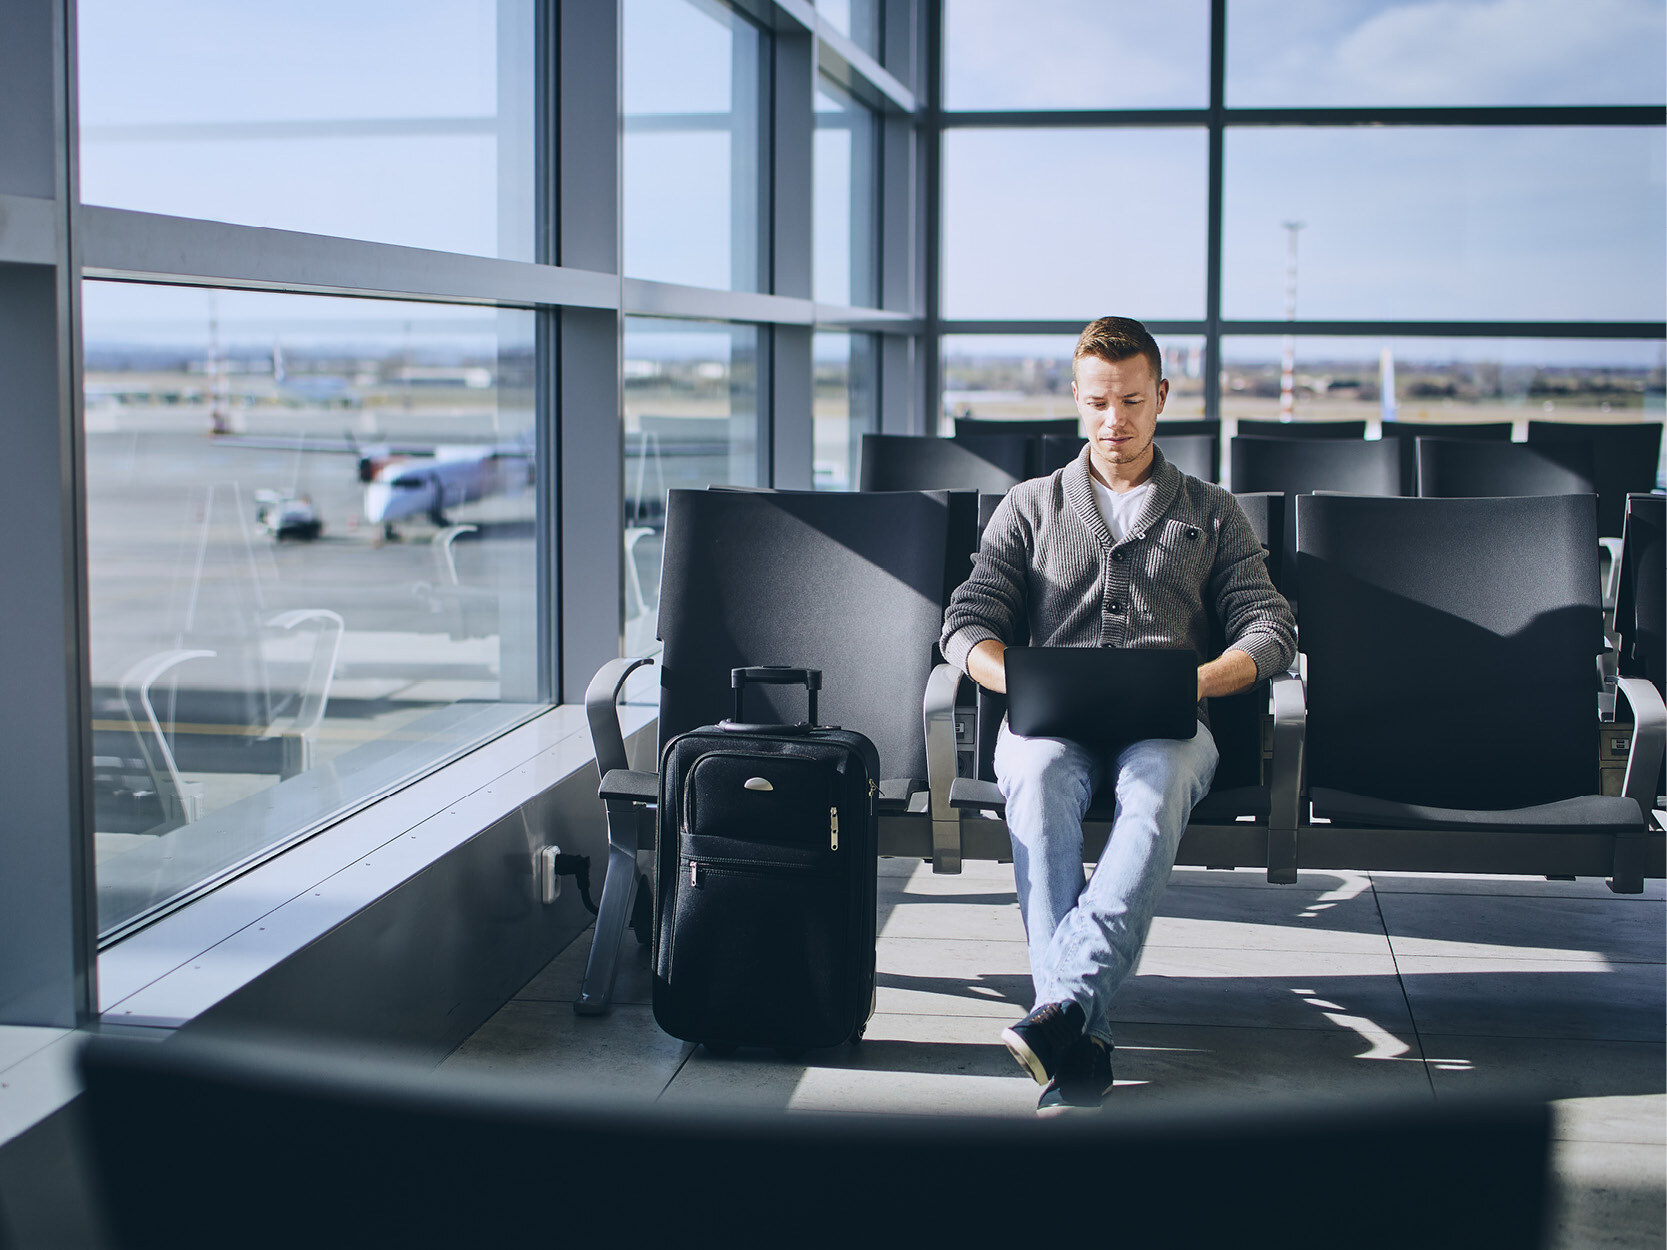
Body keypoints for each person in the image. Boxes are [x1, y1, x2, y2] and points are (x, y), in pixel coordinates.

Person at [939, 316, 1296, 1114]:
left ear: (1160, 396)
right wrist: (1015, 677)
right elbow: (964, 623)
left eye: (1131, 400)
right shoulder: (1028, 507)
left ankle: (1061, 1007)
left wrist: (1197, 681)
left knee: (1157, 783)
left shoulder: (1210, 510)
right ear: (1075, 399)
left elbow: (1271, 629)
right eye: (1097, 402)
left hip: (1168, 727)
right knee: (1034, 775)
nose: (1115, 421)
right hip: (1047, 727)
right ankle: (1077, 1026)